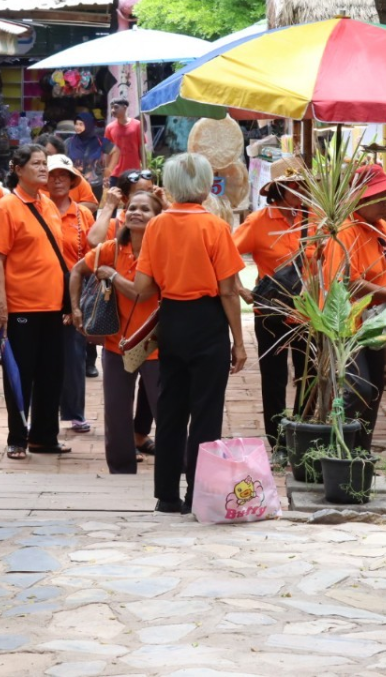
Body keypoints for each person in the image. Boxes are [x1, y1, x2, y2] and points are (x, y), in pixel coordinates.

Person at [133, 153, 247, 514]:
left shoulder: (156, 226)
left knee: (170, 409)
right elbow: (229, 291)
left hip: (172, 318)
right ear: (203, 185)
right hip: (207, 321)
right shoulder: (214, 227)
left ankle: (166, 495)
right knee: (206, 412)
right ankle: (199, 496)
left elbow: (143, 286)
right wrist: (239, 343)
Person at [322, 164, 386, 453]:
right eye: (381, 198)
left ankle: (362, 452)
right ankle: (341, 451)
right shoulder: (344, 231)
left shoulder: (380, 225)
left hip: (374, 322)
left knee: (375, 388)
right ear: (361, 200)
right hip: (347, 325)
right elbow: (347, 284)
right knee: (358, 389)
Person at [70, 190, 164, 473]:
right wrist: (75, 308)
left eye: (145, 209)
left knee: (165, 409)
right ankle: (121, 469)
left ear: (157, 218)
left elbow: (142, 293)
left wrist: (112, 275)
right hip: (116, 342)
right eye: (132, 207)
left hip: (155, 343)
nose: (136, 212)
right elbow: (76, 271)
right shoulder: (111, 248)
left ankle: (178, 465)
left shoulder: (162, 251)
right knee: (116, 411)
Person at [0, 144, 71, 460]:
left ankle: (44, 437)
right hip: (21, 306)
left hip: (52, 306)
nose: (42, 169)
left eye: (44, 163)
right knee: (20, 375)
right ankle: (17, 438)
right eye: (35, 163)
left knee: (52, 374)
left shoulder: (47, 203)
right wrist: (0, 306)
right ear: (17, 168)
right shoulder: (6, 207)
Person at [233, 156, 307, 454]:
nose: (301, 191)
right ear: (279, 189)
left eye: (304, 185)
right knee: (274, 379)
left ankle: (304, 432)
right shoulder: (258, 222)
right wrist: (240, 289)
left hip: (308, 313)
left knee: (309, 376)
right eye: (294, 185)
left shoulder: (315, 218)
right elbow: (224, 254)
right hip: (271, 312)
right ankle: (278, 441)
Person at [46, 155, 96, 433]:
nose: (57, 180)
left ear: (72, 181)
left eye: (63, 176)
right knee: (42, 356)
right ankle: (40, 414)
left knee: (74, 354)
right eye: (52, 175)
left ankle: (75, 413)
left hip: (74, 293)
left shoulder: (83, 214)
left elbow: (93, 253)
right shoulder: (37, 209)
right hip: (39, 290)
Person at [40, 133, 97, 209]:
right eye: (47, 156)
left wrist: (66, 211)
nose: (51, 159)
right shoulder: (31, 178)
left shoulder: (73, 174)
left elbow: (92, 204)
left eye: (55, 156)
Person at [65, 111, 110, 196]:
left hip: (95, 184)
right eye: (76, 124)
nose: (78, 127)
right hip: (75, 184)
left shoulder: (99, 141)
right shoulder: (69, 142)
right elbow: (63, 160)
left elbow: (114, 151)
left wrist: (108, 168)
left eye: (81, 124)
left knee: (92, 207)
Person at [104, 100, 144, 187]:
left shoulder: (137, 125)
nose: (113, 110)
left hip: (134, 171)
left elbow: (141, 148)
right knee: (114, 198)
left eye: (116, 107)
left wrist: (144, 168)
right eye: (112, 108)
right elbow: (107, 152)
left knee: (133, 198)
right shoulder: (109, 128)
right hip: (115, 173)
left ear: (125, 108)